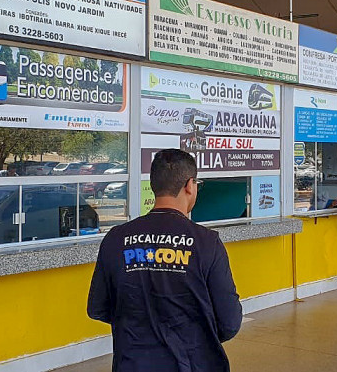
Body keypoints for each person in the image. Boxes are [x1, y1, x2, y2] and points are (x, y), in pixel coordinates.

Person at [87, 149, 242, 372]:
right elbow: (229, 323)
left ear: (154, 185)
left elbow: (98, 309)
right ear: (190, 185)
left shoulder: (116, 239)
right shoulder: (207, 242)